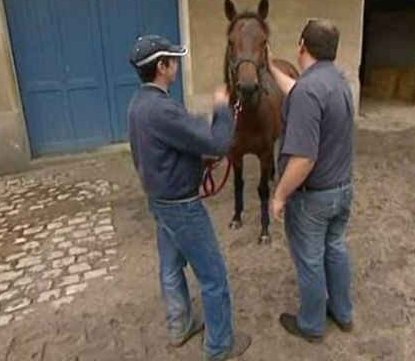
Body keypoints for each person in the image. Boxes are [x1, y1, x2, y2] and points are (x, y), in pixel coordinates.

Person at [127, 35, 251, 360]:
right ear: (162, 67)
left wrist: (194, 161)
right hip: (182, 205)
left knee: (170, 267)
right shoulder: (163, 110)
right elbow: (218, 143)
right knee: (214, 276)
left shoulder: (138, 104)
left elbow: (162, 150)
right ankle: (219, 346)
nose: (177, 65)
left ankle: (179, 326)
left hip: (159, 201)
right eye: (173, 60)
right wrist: (222, 106)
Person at [268, 20, 355, 342]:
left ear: (302, 44)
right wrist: (269, 66)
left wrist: (279, 196)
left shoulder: (309, 90)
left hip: (312, 199)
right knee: (335, 249)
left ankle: (312, 324)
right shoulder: (337, 80)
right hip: (342, 191)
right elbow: (298, 91)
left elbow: (304, 158)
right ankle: (343, 314)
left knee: (310, 261)